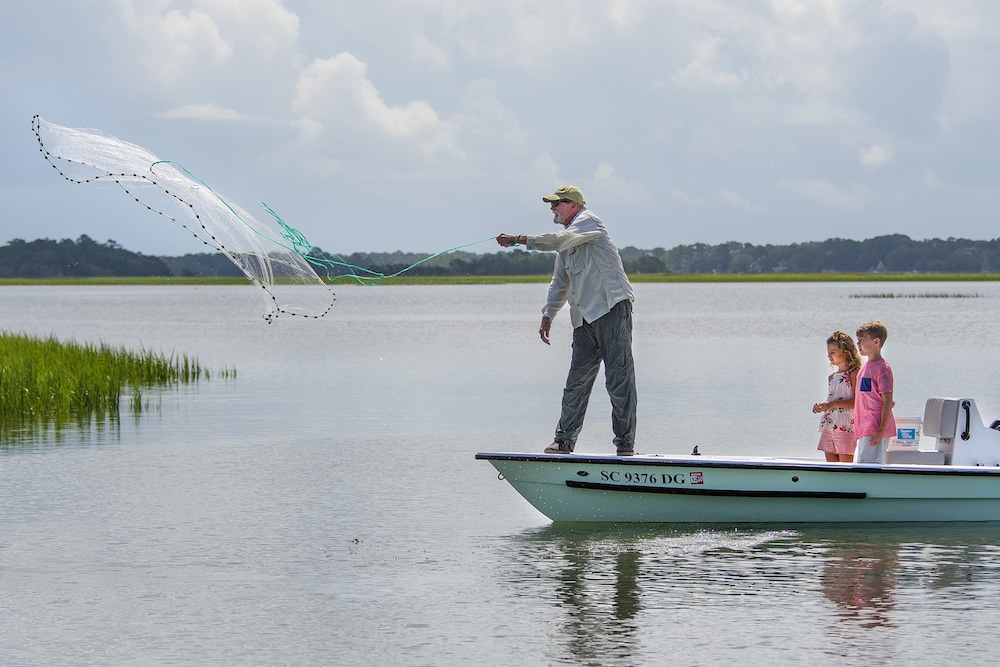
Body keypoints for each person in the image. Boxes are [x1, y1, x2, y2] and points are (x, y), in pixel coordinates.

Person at [496, 185, 636, 456]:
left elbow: (560, 240)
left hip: (612, 307)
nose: (552, 209)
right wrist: (548, 314)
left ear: (573, 205)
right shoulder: (567, 241)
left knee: (619, 380)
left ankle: (625, 445)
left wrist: (518, 240)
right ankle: (563, 441)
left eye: (556, 203)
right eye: (551, 204)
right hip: (583, 317)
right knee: (576, 382)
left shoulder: (588, 222)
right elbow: (560, 282)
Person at [812, 331, 861, 462]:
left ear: (846, 351)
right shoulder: (832, 377)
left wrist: (833, 404)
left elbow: (858, 402)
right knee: (831, 467)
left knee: (845, 466)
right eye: (828, 352)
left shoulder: (854, 373)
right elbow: (833, 400)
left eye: (833, 352)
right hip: (829, 424)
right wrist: (823, 406)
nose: (829, 355)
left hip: (846, 426)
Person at [854, 320, 896, 464]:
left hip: (875, 428)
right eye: (857, 340)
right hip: (863, 428)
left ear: (876, 341)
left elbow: (887, 401)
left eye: (861, 340)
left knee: (869, 467)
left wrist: (881, 430)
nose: (858, 344)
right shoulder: (864, 368)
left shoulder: (882, 369)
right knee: (860, 464)